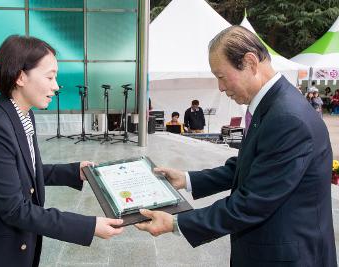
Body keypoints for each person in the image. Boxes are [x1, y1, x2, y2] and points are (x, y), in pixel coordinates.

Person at [135, 26, 337, 266]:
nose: (220, 88)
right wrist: (187, 179)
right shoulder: (274, 106)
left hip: (286, 255)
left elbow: (252, 202)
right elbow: (246, 166)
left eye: (221, 76)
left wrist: (177, 222)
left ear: (250, 62)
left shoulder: (287, 118)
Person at [0, 35, 124, 267]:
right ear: (20, 76)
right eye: (50, 77)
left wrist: (75, 171)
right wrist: (88, 226)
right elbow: (15, 209)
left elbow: (24, 171)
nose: (56, 86)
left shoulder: (22, 113)